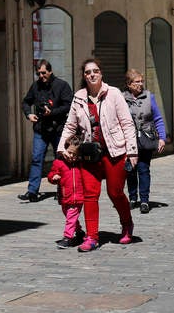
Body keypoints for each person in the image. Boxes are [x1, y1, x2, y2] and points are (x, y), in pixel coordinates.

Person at [58, 58, 138, 252]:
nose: (92, 74)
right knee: (89, 196)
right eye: (87, 72)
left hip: (115, 152)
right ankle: (92, 237)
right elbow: (70, 125)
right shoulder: (79, 97)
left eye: (95, 71)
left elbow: (127, 123)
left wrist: (132, 151)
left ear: (101, 73)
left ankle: (127, 224)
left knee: (115, 192)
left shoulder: (114, 94)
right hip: (89, 155)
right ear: (84, 77)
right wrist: (61, 148)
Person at [19, 59, 73, 202]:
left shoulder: (62, 86)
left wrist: (52, 112)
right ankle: (32, 192)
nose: (41, 76)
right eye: (38, 74)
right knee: (36, 159)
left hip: (58, 129)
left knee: (60, 160)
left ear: (50, 71)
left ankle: (61, 190)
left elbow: (69, 106)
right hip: (41, 129)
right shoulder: (35, 86)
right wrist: (28, 114)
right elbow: (26, 101)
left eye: (43, 73)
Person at [124, 69, 167, 214]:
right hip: (128, 140)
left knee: (143, 169)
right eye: (137, 82)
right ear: (129, 84)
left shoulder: (149, 97)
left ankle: (144, 200)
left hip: (146, 139)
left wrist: (162, 138)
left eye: (141, 81)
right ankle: (132, 197)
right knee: (130, 170)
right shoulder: (121, 98)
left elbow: (158, 118)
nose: (140, 84)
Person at [47, 135, 86, 249]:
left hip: (78, 196)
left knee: (71, 216)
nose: (72, 156)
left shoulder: (81, 164)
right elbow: (51, 174)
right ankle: (79, 232)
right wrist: (53, 177)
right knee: (69, 216)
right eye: (70, 153)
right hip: (64, 196)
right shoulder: (59, 162)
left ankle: (67, 237)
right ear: (65, 150)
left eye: (75, 154)